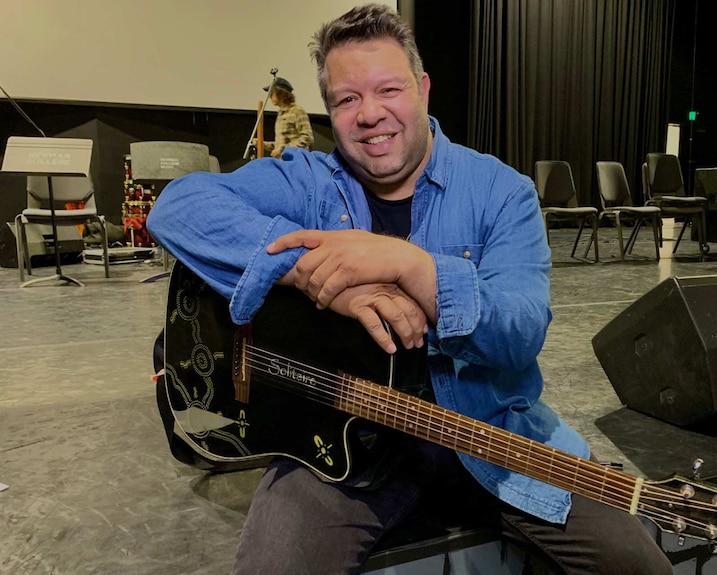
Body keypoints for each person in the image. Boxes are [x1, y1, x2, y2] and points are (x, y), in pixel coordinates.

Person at [147, 4, 672, 574]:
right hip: (338, 440)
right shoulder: (309, 180)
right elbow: (180, 206)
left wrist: (412, 267)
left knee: (636, 567)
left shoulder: (501, 191)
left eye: (388, 89)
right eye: (348, 99)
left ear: (422, 89)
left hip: (491, 433)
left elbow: (521, 331)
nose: (369, 114)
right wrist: (309, 272)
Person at [263, 76, 314, 156]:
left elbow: (307, 138)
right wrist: (264, 144)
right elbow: (280, 144)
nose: (270, 97)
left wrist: (283, 149)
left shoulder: (297, 111)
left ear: (281, 94)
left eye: (272, 93)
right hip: (282, 162)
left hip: (295, 161)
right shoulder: (281, 114)